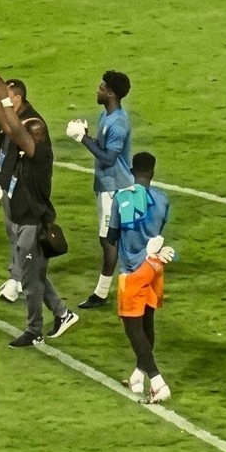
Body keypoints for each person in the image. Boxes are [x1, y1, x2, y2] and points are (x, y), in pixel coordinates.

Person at [0, 71, 80, 348]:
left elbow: (16, 130)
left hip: (32, 221)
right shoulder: (26, 148)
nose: (22, 134)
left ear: (37, 137)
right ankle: (63, 314)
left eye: (28, 133)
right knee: (33, 272)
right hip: (19, 216)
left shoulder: (40, 155)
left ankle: (34, 330)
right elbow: (7, 127)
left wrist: (3, 98)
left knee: (30, 279)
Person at [105, 152, 173, 403]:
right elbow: (158, 233)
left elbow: (111, 237)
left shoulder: (121, 197)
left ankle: (157, 381)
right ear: (152, 172)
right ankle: (138, 375)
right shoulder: (163, 200)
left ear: (132, 171)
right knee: (147, 324)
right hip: (154, 266)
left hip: (132, 271)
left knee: (133, 329)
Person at [73, 70, 133, 309]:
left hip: (115, 188)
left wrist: (82, 139)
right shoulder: (106, 116)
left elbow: (108, 158)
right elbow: (102, 147)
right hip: (109, 186)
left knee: (109, 240)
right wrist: (86, 135)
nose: (97, 91)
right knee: (118, 239)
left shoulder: (118, 123)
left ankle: (101, 293)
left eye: (101, 88)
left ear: (111, 94)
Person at [0, 79, 39, 301]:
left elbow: (16, 155)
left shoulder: (31, 124)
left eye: (7, 96)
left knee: (23, 237)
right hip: (8, 185)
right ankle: (20, 276)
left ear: (18, 98)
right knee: (13, 233)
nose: (4, 99)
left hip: (24, 187)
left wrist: (1, 184)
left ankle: (16, 280)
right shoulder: (8, 116)